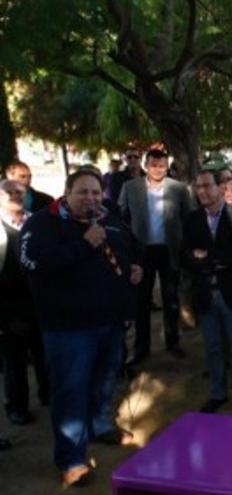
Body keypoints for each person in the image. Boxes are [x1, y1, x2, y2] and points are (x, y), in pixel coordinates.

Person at [19, 169, 141, 487]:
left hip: (110, 322)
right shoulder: (42, 224)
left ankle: (100, 426)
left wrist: (135, 266)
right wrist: (83, 245)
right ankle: (71, 458)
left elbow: (128, 246)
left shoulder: (108, 218)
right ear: (67, 192)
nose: (90, 199)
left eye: (96, 193)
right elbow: (34, 264)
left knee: (104, 381)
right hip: (68, 329)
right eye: (83, 192)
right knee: (71, 392)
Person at [183, 170, 232, 418]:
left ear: (221, 187)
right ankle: (218, 393)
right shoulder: (192, 219)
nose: (202, 191)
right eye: (198, 187)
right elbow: (186, 255)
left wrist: (206, 258)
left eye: (207, 186)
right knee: (213, 348)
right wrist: (209, 261)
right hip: (205, 294)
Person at [118, 146, 192, 363]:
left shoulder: (178, 189)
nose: (158, 169)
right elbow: (122, 215)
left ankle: (172, 342)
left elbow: (187, 218)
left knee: (171, 299)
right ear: (145, 165)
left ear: (167, 166)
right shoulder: (130, 187)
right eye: (153, 165)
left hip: (169, 250)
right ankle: (141, 348)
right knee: (141, 302)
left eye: (161, 165)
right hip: (142, 252)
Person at [0, 180, 48, 426]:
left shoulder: (36, 222)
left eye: (20, 192)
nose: (15, 196)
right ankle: (17, 407)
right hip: (9, 309)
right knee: (14, 362)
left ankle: (48, 395)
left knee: (44, 354)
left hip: (39, 303)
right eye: (9, 192)